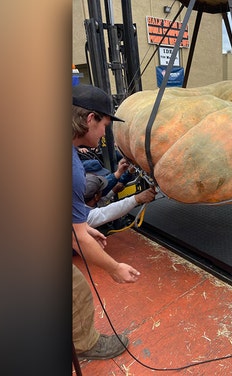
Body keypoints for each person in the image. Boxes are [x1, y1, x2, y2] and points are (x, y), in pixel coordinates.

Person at [71, 84, 140, 360]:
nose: (104, 133)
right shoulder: (73, 168)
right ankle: (85, 346)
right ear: (90, 119)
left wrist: (83, 227)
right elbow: (76, 239)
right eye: (104, 125)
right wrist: (114, 268)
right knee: (77, 292)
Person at [84, 174, 157, 229]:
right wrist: (137, 199)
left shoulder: (80, 201)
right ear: (96, 196)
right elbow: (107, 212)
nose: (102, 192)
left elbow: (97, 203)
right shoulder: (85, 216)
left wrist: (113, 191)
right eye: (101, 190)